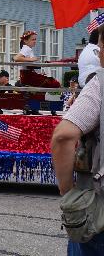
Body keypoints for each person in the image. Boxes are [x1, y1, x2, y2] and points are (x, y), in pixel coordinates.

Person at [51, 26, 104, 254]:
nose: (98, 53)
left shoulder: (100, 84)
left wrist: (67, 191)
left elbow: (63, 136)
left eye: (100, 47)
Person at [13, 30, 60, 115]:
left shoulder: (28, 49)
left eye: (35, 39)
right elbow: (16, 58)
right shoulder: (26, 48)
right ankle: (53, 107)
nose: (35, 41)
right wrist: (31, 59)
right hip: (28, 76)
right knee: (55, 83)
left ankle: (35, 107)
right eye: (32, 39)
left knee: (44, 86)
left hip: (28, 75)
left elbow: (26, 64)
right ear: (25, 41)